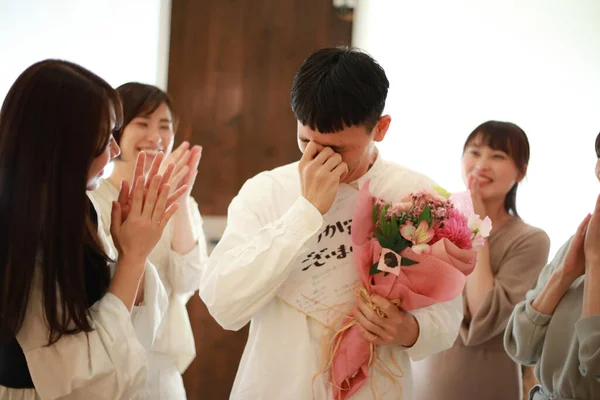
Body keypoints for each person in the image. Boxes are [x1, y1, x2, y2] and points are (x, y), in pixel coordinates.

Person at [199, 47, 463, 399]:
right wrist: (304, 213)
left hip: (376, 389)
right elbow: (225, 305)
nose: (317, 158)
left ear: (380, 128)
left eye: (337, 149)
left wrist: (409, 330)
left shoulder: (418, 195)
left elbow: (448, 319)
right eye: (305, 142)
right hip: (277, 386)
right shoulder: (267, 191)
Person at [0, 59, 185, 399]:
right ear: (64, 147)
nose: (114, 151)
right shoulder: (19, 229)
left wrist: (132, 253)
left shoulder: (73, 208)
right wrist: (133, 257)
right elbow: (81, 378)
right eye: (103, 140)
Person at [412, 121, 551, 400]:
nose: (482, 164)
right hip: (424, 379)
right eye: (474, 152)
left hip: (488, 382)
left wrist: (476, 226)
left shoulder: (531, 239)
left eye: (498, 156)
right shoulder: (434, 220)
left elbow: (482, 315)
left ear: (521, 172)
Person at [88, 82, 207, 399]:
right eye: (142, 123)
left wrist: (179, 199)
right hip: (104, 360)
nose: (155, 136)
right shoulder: (95, 199)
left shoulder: (184, 203)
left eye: (165, 126)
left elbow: (188, 281)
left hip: (162, 368)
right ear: (116, 130)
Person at [504, 132, 600, 399]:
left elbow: (594, 367)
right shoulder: (581, 242)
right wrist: (564, 274)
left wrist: (595, 265)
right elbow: (520, 346)